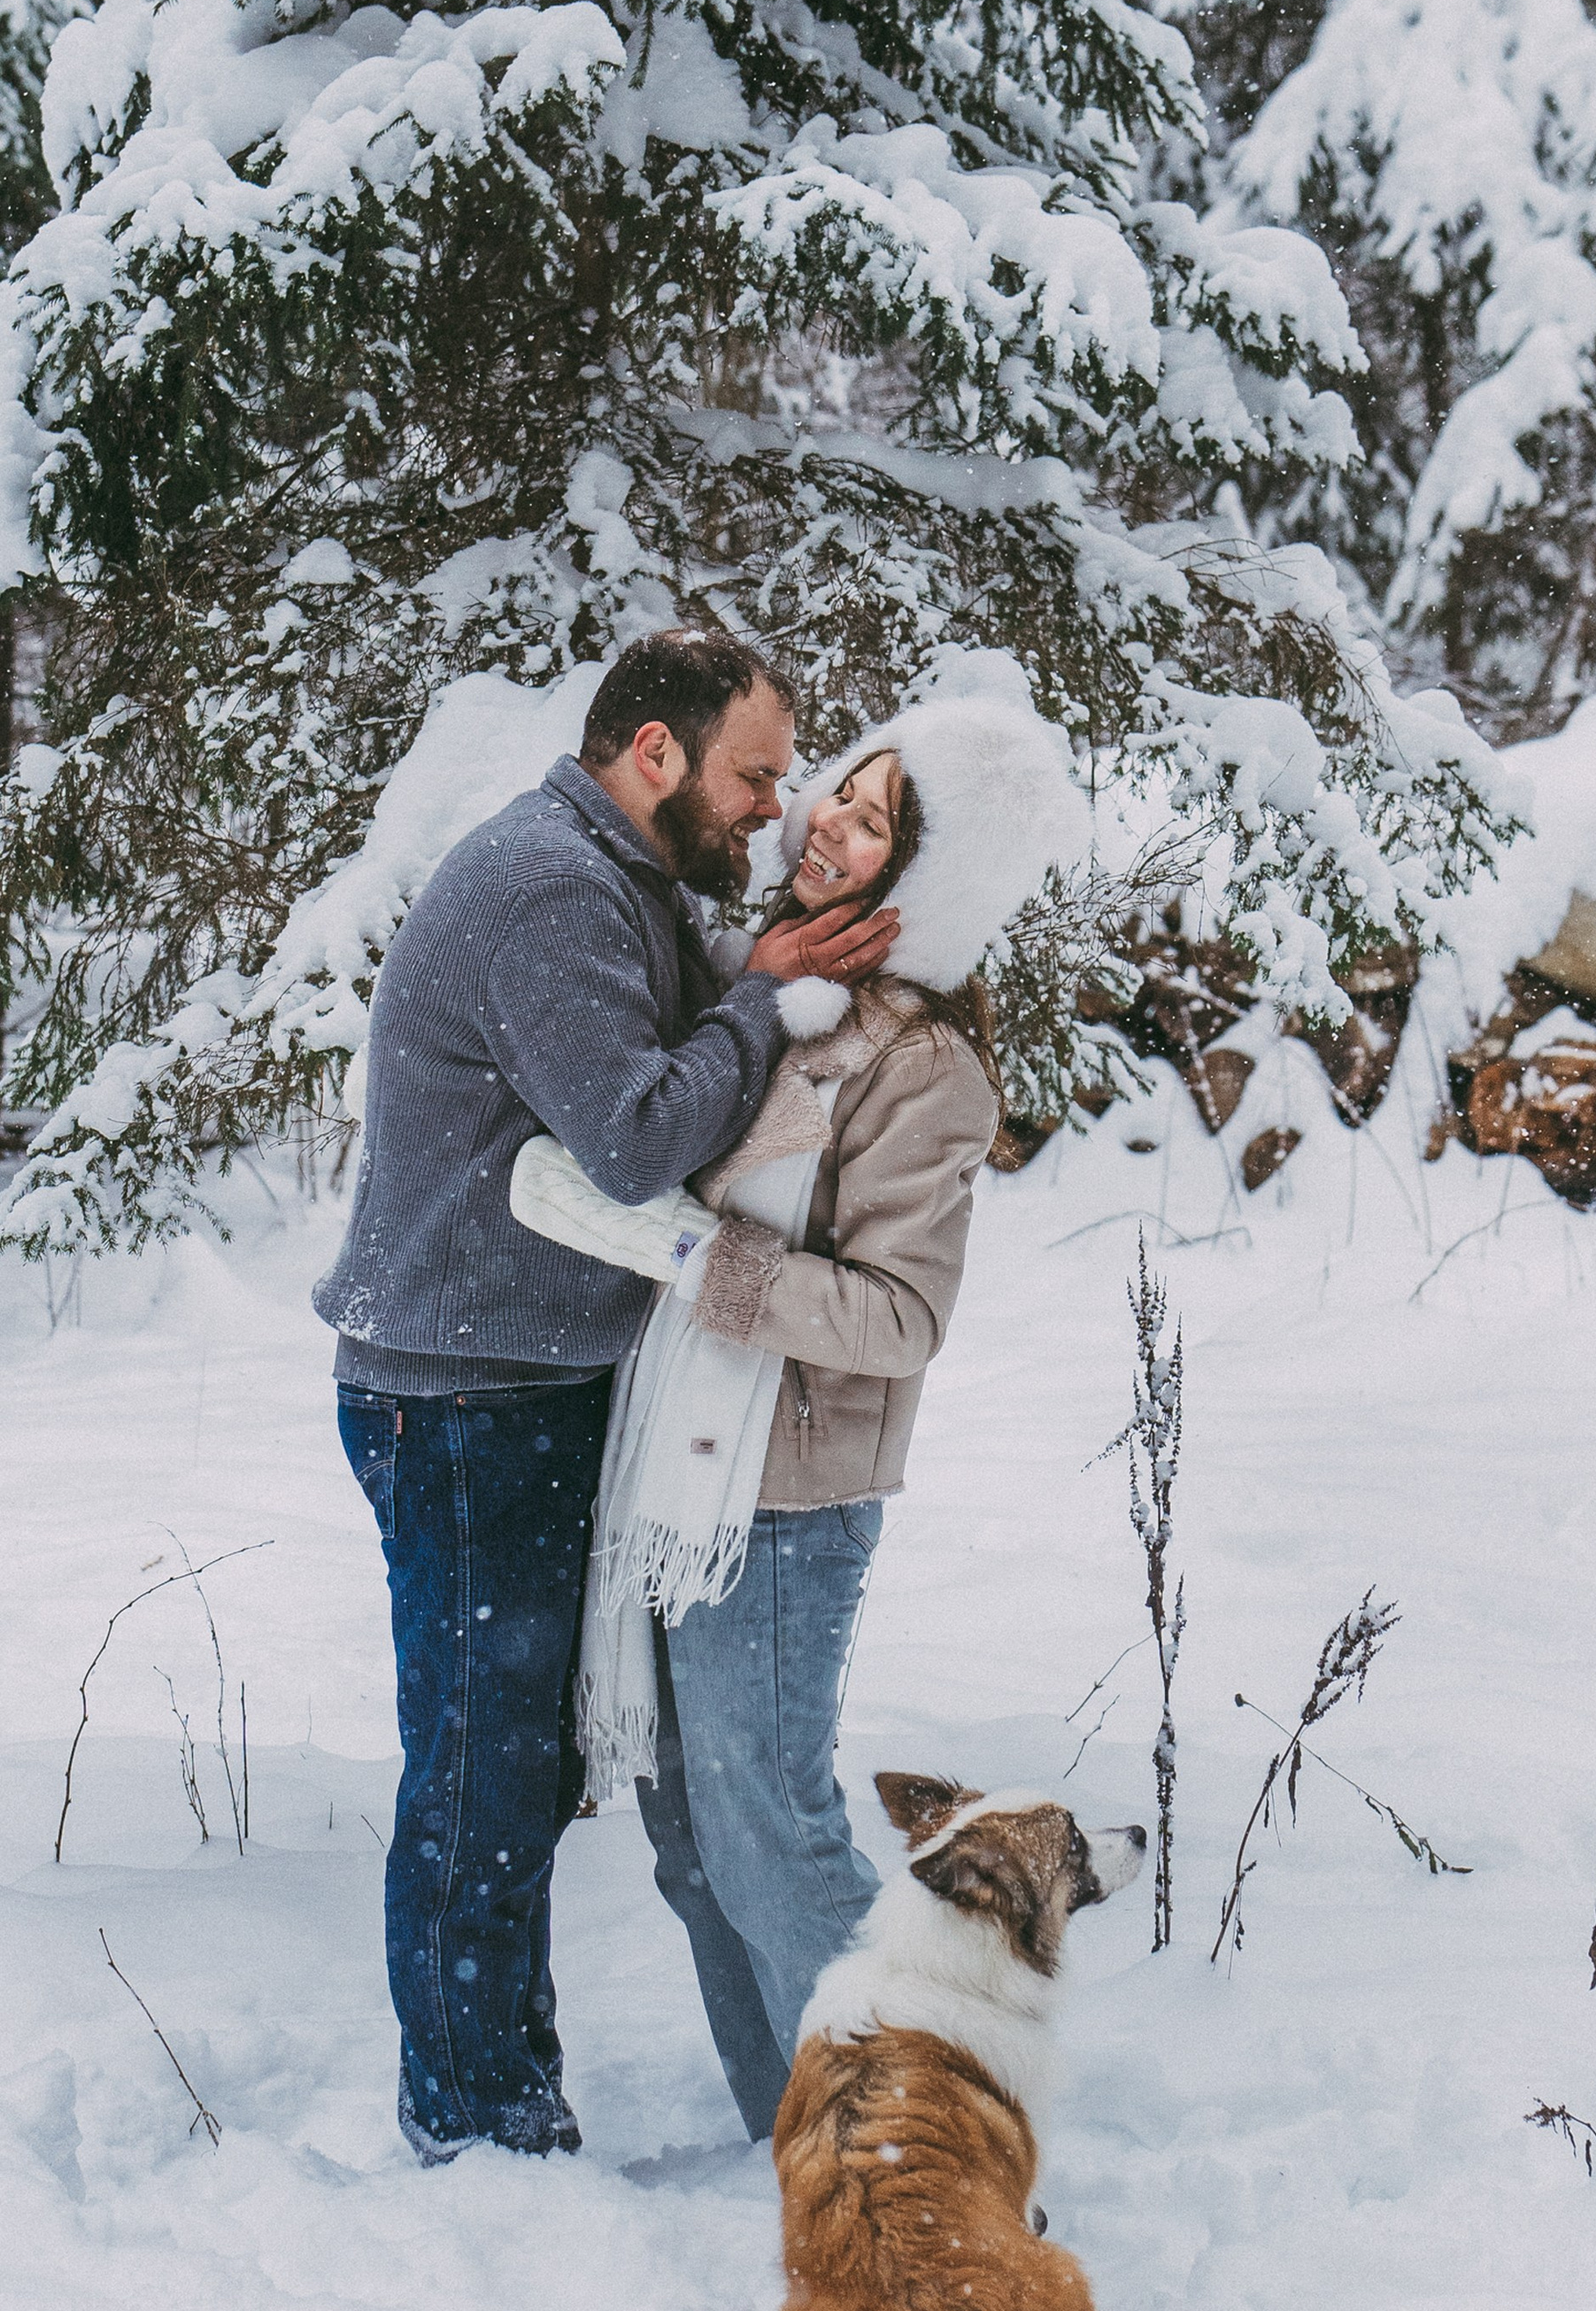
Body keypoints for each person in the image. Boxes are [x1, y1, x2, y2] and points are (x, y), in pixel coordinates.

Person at [318, 627, 898, 2162]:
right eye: (756, 774)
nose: (775, 807)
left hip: (534, 1383)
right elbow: (639, 1137)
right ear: (655, 752)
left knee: (530, 1759)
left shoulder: (629, 880)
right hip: (459, 1397)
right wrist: (766, 998)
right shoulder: (549, 891)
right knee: (481, 1767)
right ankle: (476, 2130)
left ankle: (498, 2102)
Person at [511, 683, 1086, 2141]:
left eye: (876, 817)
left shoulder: (924, 1063)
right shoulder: (773, 985)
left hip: (784, 1502)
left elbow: (901, 1320)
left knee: (768, 1836)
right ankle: (811, 2144)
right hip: (685, 1480)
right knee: (697, 1843)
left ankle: (928, 2149)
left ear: (926, 876)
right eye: (846, 785)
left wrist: (701, 1261)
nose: (827, 815)